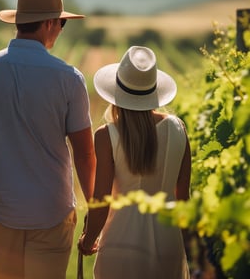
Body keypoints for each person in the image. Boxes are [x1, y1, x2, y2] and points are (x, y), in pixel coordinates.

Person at [0, 0, 96, 279]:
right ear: (48, 23)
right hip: (52, 212)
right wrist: (95, 209)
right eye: (61, 24)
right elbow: (85, 152)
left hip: (0, 210)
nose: (60, 30)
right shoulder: (69, 79)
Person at [78, 46, 191, 279]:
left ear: (117, 92)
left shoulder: (107, 135)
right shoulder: (178, 129)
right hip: (168, 241)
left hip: (121, 243)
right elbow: (183, 200)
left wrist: (88, 241)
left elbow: (102, 202)